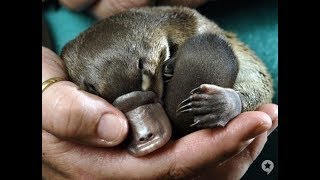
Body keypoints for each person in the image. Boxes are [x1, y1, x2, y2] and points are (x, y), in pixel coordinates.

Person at [42, 0, 278, 179]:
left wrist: (235, 101)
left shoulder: (187, 27)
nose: (147, 137)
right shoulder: (75, 61)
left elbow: (257, 83)